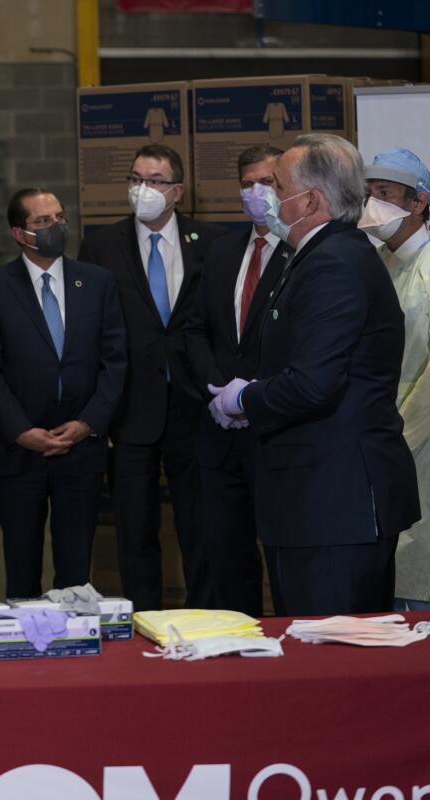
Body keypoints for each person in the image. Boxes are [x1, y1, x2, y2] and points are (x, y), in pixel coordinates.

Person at [208, 133, 420, 615]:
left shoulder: (335, 263)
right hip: (315, 498)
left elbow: (313, 384)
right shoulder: (317, 257)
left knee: (334, 662)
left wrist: (244, 401)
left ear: (310, 200)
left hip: (334, 502)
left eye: (277, 185)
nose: (267, 197)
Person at [77, 143, 225, 611]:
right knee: (135, 529)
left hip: (194, 407)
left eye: (156, 181)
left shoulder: (212, 243)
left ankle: (205, 614)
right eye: (136, 179)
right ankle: (143, 617)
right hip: (129, 412)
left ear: (177, 191)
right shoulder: (100, 245)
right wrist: (101, 414)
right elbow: (92, 335)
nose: (144, 189)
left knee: (199, 527)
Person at [0, 188, 127, 597]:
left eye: (59, 218)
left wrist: (88, 422)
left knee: (76, 570)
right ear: (19, 233)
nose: (56, 226)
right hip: (17, 450)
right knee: (20, 569)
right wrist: (22, 431)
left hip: (80, 446)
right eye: (43, 221)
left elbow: (115, 361)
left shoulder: (96, 282)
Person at [184, 145, 288, 616]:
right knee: (228, 557)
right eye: (247, 184)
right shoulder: (223, 251)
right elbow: (197, 329)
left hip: (276, 430)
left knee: (286, 559)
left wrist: (248, 399)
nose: (255, 193)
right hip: (220, 434)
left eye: (266, 182)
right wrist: (219, 394)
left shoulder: (303, 255)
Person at [360, 147, 430, 612]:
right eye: (368, 194)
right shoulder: (382, 264)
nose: (373, 205)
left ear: (418, 202)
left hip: (416, 441)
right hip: (384, 439)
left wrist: (400, 433)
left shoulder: (425, 271)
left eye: (384, 194)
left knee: (416, 560)